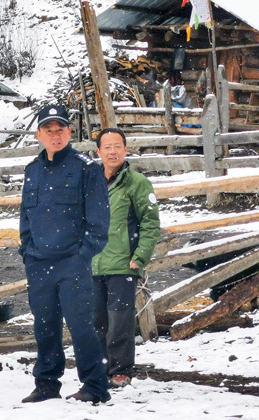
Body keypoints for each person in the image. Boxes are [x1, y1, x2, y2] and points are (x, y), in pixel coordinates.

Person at [19, 105, 111, 404]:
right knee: (44, 326)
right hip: (39, 262)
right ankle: (46, 383)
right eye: (49, 130)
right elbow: (25, 217)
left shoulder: (86, 168)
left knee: (81, 327)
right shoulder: (32, 170)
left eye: (60, 130)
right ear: (39, 135)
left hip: (73, 263)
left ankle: (95, 386)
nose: (55, 135)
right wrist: (27, 251)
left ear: (70, 133)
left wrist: (83, 255)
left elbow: (99, 222)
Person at [92, 128, 160, 388]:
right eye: (107, 147)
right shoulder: (90, 182)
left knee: (119, 320)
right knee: (96, 319)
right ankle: (99, 368)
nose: (112, 152)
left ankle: (120, 370)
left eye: (117, 146)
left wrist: (140, 256)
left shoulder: (137, 183)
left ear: (125, 149)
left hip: (123, 263)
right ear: (98, 152)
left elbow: (150, 223)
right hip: (93, 263)